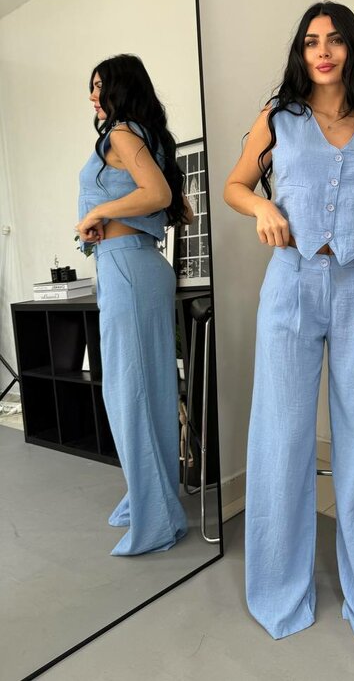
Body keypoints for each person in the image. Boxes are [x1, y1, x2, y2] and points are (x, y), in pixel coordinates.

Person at [223, 2, 354, 646]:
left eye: (334, 40)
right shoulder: (278, 119)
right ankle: (281, 588)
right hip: (291, 281)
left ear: (351, 48)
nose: (323, 51)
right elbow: (235, 185)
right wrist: (262, 209)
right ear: (301, 53)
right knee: (281, 435)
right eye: (311, 42)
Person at [76, 54, 191, 556]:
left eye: (100, 85)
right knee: (150, 390)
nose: (93, 95)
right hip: (136, 263)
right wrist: (102, 221)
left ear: (121, 88)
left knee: (130, 393)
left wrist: (99, 210)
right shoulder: (147, 137)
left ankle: (157, 517)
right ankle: (154, 499)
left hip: (126, 266)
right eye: (91, 86)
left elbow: (158, 194)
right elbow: (176, 205)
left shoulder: (122, 133)